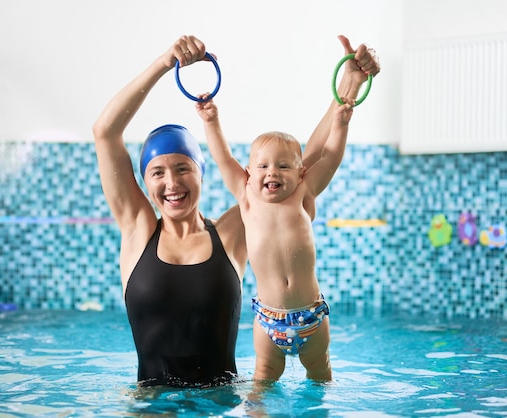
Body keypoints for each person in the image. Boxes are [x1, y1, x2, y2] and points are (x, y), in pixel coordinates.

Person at [92, 34, 379, 387]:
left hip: (223, 402)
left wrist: (348, 86)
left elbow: (304, 167)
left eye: (183, 168)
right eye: (157, 172)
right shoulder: (137, 230)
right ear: (145, 181)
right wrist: (165, 63)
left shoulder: (234, 229)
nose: (172, 183)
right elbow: (105, 132)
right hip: (152, 407)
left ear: (201, 172)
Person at [195, 35, 379, 382]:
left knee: (320, 373)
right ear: (248, 174)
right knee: (262, 381)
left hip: (311, 317)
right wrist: (210, 120)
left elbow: (332, 157)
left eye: (282, 166)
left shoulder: (304, 194)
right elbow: (222, 157)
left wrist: (341, 125)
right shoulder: (247, 198)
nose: (271, 173)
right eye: (262, 166)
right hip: (268, 320)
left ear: (300, 173)